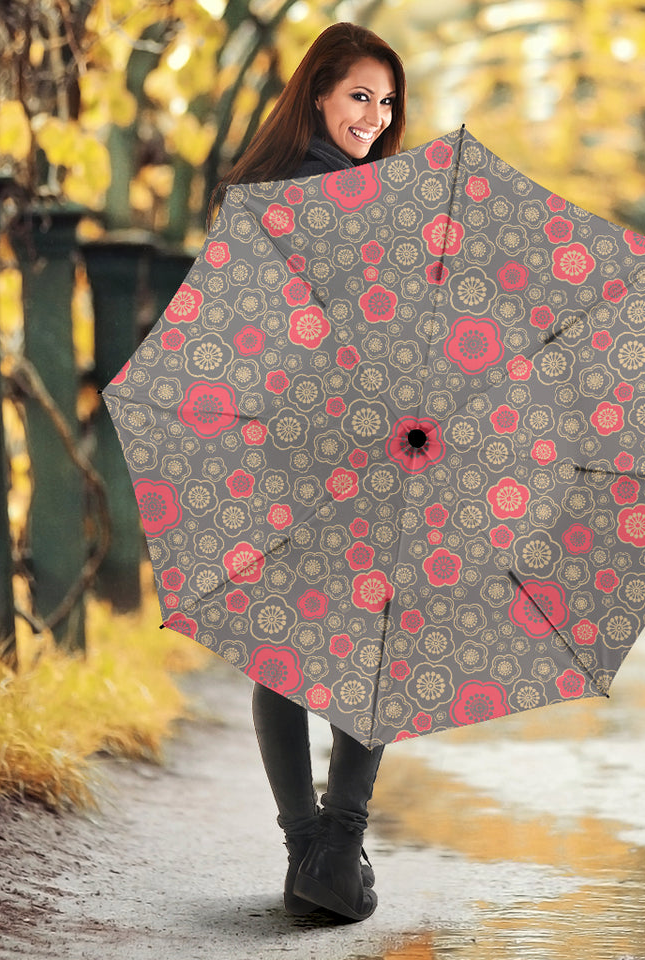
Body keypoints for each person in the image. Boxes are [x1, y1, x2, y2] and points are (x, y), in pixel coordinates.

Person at [208, 22, 407, 923]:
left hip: (277, 447)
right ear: (320, 93)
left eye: (386, 99)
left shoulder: (251, 197)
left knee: (283, 647)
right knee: (368, 642)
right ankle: (338, 844)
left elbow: (232, 334)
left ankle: (306, 852)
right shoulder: (366, 203)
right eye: (360, 94)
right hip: (357, 447)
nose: (375, 114)